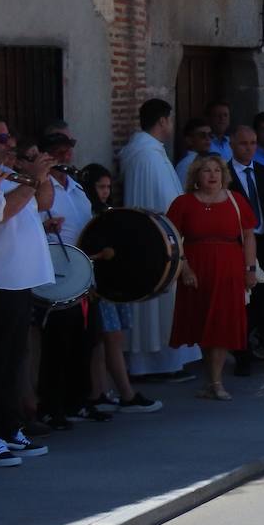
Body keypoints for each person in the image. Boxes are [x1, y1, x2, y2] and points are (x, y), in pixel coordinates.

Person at [0, 114, 53, 465]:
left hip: (20, 279)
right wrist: (32, 180)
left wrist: (37, 174)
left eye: (9, 137)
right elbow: (0, 213)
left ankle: (11, 429)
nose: (8, 143)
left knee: (13, 362)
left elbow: (43, 202)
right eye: (0, 138)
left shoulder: (6, 171)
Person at [168, 155, 258, 400]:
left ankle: (216, 382)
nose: (212, 175)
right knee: (201, 322)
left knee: (221, 322)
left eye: (217, 170)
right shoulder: (183, 203)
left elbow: (249, 235)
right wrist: (184, 268)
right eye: (206, 170)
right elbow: (172, 239)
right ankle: (210, 380)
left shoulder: (236, 200)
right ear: (196, 175)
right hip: (196, 269)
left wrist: (249, 269)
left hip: (229, 268)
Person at [119, 99, 198, 378]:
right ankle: (157, 364)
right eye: (169, 120)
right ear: (163, 121)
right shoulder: (148, 156)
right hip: (157, 242)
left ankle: (164, 361)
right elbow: (168, 203)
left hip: (154, 238)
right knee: (159, 303)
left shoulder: (147, 152)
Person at [35, 130, 109, 426]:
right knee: (58, 343)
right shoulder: (43, 186)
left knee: (85, 340)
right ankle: (54, 406)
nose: (65, 156)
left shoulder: (77, 187)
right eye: (59, 151)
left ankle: (80, 400)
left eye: (68, 151)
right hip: (58, 272)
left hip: (84, 271)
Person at [77, 164, 162, 413]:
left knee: (108, 339)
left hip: (111, 283)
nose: (105, 192)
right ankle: (125, 393)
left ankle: (100, 392)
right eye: (100, 187)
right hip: (96, 286)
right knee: (108, 337)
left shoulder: (107, 213)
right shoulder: (86, 212)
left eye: (107, 187)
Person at [229, 126, 264, 370]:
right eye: (244, 143)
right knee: (242, 302)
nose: (249, 147)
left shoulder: (263, 172)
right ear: (232, 144)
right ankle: (241, 356)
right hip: (237, 244)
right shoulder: (225, 174)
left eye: (253, 143)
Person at [174, 117, 212, 183]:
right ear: (189, 140)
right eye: (202, 135)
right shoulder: (187, 164)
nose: (208, 139)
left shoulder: (202, 160)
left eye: (210, 135)